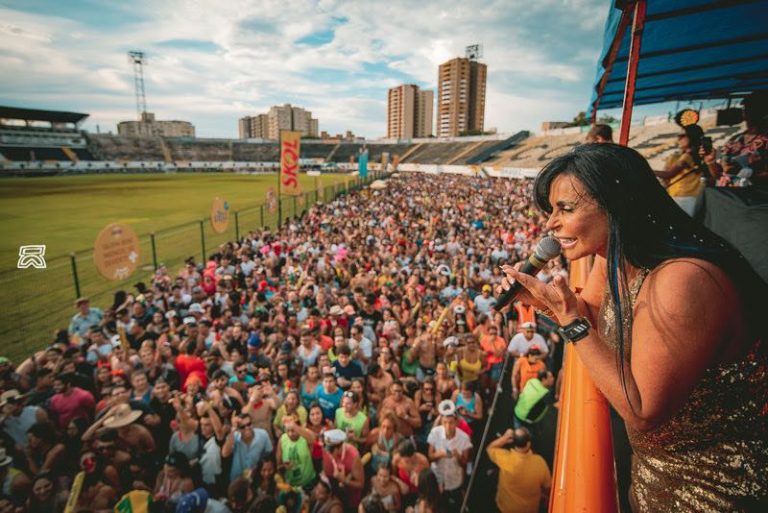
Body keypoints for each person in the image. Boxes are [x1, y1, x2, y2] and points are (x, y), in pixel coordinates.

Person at [500, 142, 768, 512]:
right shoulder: (611, 256)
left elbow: (642, 409)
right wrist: (544, 303)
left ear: (617, 204)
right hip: (652, 476)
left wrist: (570, 321)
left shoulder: (683, 280)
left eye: (565, 209)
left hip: (712, 489)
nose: (550, 224)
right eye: (551, 211)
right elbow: (593, 317)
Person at [486, 428, 551, 513]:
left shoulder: (505, 459)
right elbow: (547, 487)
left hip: (506, 508)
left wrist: (504, 438)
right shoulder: (539, 462)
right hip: (529, 509)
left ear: (513, 442)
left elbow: (490, 448)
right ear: (528, 443)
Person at [426, 401, 472, 509]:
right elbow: (430, 456)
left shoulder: (464, 438)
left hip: (454, 478)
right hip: (438, 476)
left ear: (456, 422)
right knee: (440, 504)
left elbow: (465, 462)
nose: (448, 426)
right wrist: (440, 454)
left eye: (451, 422)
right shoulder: (435, 432)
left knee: (456, 502)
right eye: (445, 422)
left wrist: (458, 455)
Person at [654, 124, 705, 216]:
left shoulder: (687, 156)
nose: (678, 139)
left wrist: (648, 170)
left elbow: (669, 174)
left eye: (682, 136)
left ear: (691, 137)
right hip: (685, 196)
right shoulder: (691, 155)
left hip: (683, 197)